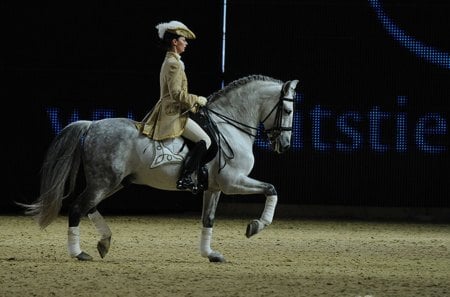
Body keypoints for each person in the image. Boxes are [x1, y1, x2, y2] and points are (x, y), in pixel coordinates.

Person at [140, 20, 211, 192]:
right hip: (171, 114)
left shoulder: (172, 61)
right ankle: (185, 177)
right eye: (183, 40)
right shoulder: (174, 64)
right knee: (205, 140)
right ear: (174, 42)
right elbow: (177, 94)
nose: (186, 43)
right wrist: (197, 99)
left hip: (175, 110)